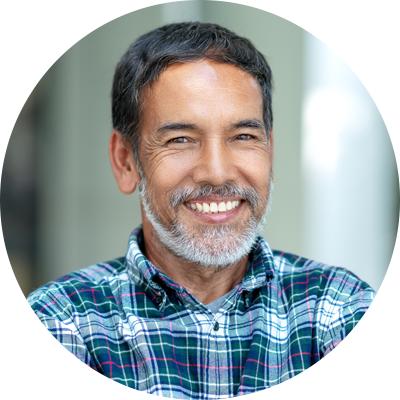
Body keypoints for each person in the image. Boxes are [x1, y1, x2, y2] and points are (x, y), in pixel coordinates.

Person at [27, 22, 375, 397]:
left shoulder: (340, 306)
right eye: (180, 139)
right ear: (126, 161)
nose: (216, 171)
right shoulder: (61, 321)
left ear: (269, 152)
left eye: (243, 137)